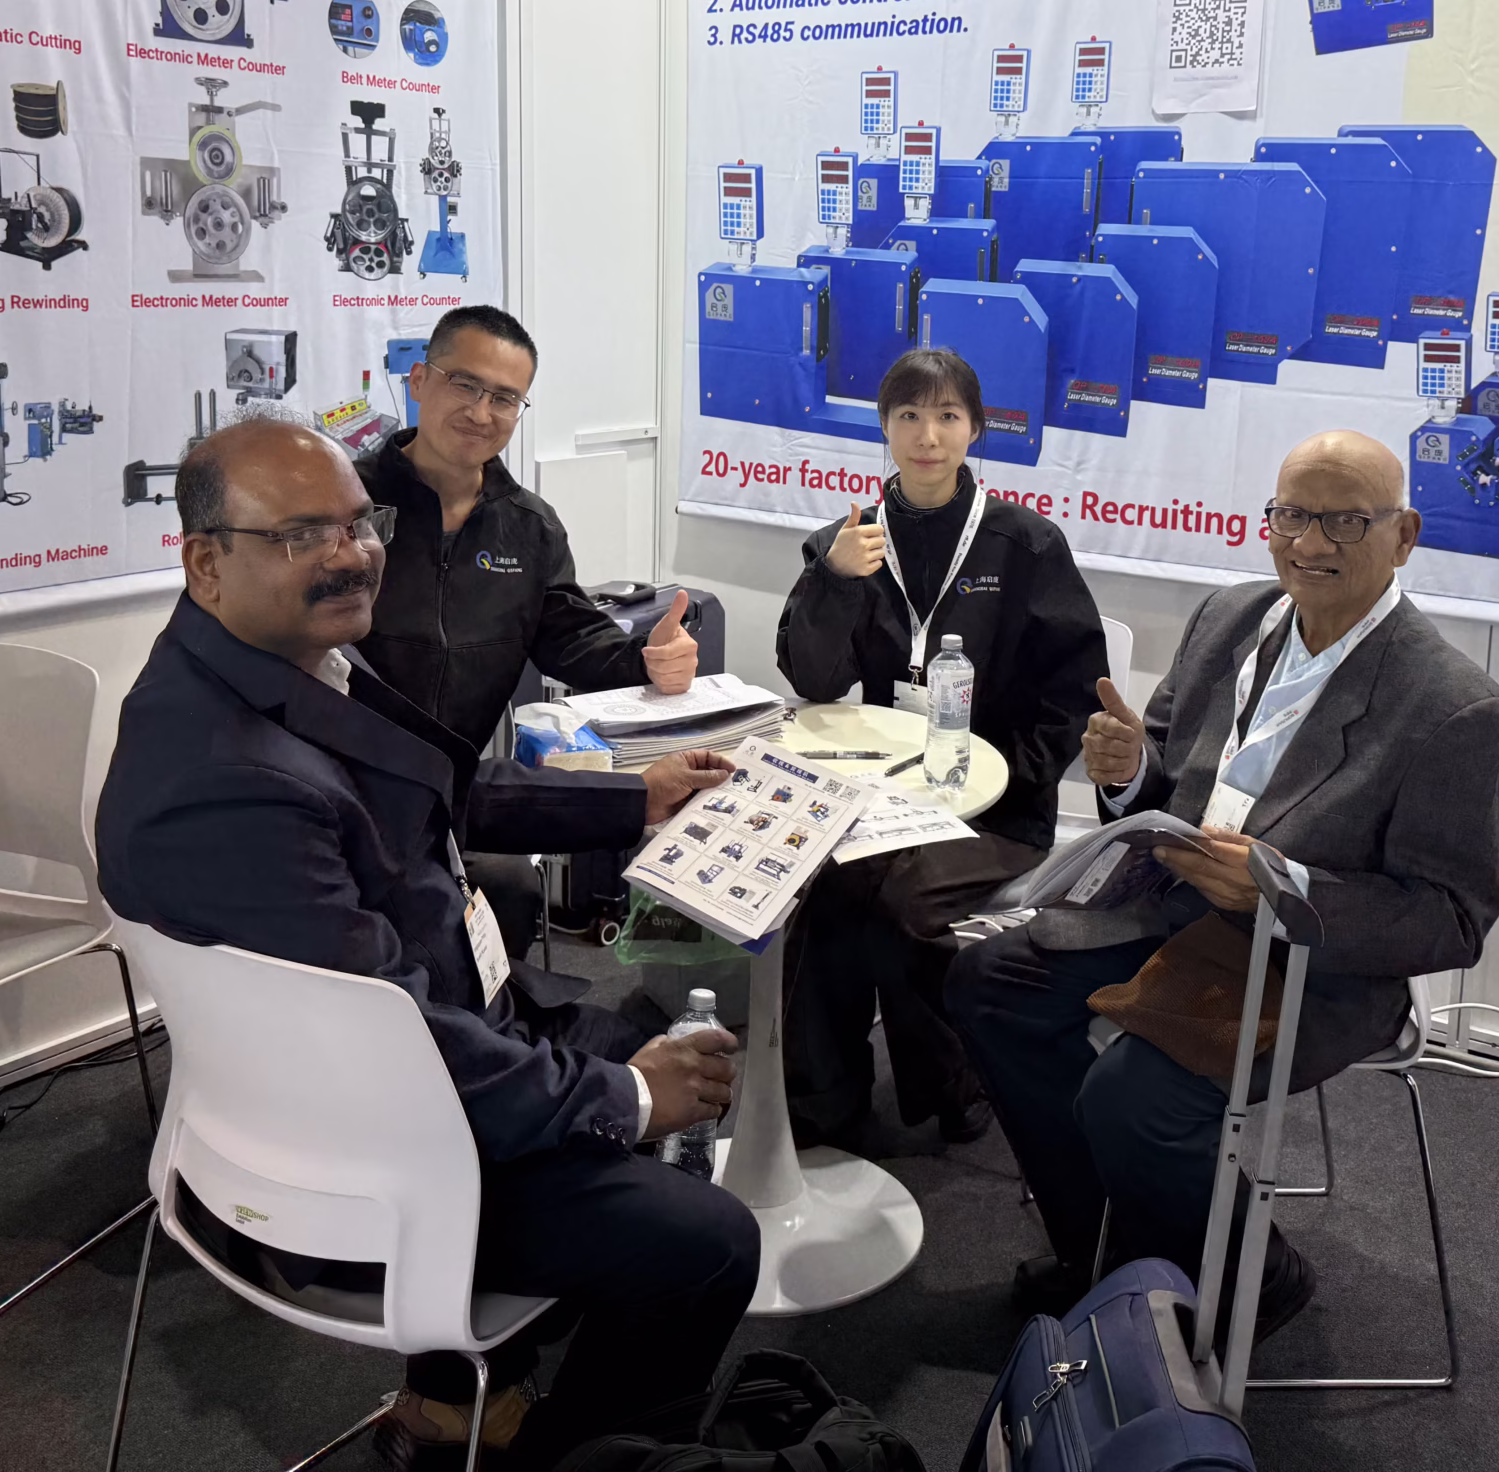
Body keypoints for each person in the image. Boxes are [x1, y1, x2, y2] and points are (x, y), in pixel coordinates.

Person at [97, 419, 760, 1472]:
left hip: (399, 1062)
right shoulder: (226, 781)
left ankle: (459, 1403)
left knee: (635, 1029)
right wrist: (628, 1100)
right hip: (377, 1150)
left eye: (359, 523)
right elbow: (397, 1041)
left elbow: (440, 785)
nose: (352, 553)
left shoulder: (276, 665)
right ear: (205, 561)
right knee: (708, 1243)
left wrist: (632, 797)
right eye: (302, 534)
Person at [948, 429, 1499, 1334]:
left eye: (1345, 522)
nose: (1310, 543)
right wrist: (1127, 773)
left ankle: (1257, 1275)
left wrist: (1279, 888)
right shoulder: (1231, 618)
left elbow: (1449, 920)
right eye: (1292, 516)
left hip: (1314, 962)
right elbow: (1165, 770)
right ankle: (1107, 1248)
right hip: (1174, 906)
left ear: (1404, 535)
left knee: (1131, 1098)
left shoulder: (1457, 709)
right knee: (989, 984)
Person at [775, 347, 1109, 1145]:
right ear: (884, 426)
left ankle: (955, 1084)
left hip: (997, 810)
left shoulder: (1025, 544)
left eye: (948, 416)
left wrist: (1006, 781)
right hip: (887, 795)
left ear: (975, 428)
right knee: (823, 887)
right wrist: (834, 581)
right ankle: (823, 1101)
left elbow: (1075, 689)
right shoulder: (849, 541)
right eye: (909, 416)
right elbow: (815, 680)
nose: (928, 436)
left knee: (905, 904)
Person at [356, 304, 699, 954]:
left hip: (453, 800)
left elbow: (570, 637)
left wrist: (646, 660)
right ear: (419, 380)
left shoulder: (529, 527)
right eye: (465, 384)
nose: (481, 412)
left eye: (505, 398)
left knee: (507, 893)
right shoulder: (345, 505)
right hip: (343, 790)